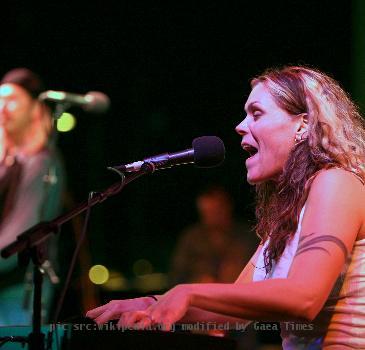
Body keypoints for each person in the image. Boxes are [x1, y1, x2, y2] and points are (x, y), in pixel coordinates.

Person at [86, 65, 365, 349]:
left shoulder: (336, 182)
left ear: (303, 124)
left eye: (257, 113)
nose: (240, 126)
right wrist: (151, 303)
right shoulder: (290, 215)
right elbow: (232, 308)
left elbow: (304, 297)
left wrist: (189, 293)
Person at [0, 68, 65, 325]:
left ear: (34, 108)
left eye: (12, 100)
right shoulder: (7, 161)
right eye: (0, 101)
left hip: (19, 291)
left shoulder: (42, 163)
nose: (3, 108)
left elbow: (20, 232)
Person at [169, 185, 256, 285]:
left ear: (228, 206)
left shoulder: (247, 235)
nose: (211, 217)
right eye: (206, 212)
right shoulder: (191, 238)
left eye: (216, 211)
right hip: (200, 297)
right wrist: (198, 282)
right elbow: (176, 277)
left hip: (239, 295)